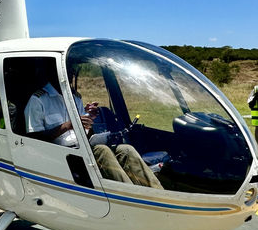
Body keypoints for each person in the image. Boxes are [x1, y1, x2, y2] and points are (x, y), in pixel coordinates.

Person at [24, 77, 162, 189]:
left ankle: (158, 193)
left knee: (126, 149)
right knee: (102, 151)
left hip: (83, 147)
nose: (71, 75)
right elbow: (33, 138)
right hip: (60, 155)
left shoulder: (75, 98)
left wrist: (90, 117)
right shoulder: (38, 100)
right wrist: (67, 126)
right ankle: (131, 195)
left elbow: (85, 132)